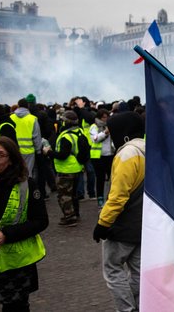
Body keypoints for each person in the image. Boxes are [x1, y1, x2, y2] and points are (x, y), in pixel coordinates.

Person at [0, 137, 48, 311]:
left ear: (11, 159)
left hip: (15, 264)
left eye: (1, 155)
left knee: (16, 307)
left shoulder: (26, 185)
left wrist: (7, 234)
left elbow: (40, 221)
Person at [92, 112, 146, 312]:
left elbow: (118, 196)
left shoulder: (127, 154)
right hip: (143, 226)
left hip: (122, 227)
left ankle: (127, 309)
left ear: (123, 134)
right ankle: (142, 306)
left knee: (113, 271)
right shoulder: (149, 150)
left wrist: (103, 224)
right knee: (139, 272)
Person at [46, 111, 84, 227]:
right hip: (76, 167)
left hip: (66, 169)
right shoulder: (79, 131)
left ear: (66, 122)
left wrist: (49, 152)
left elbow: (63, 155)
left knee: (64, 195)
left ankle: (69, 217)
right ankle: (75, 214)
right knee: (73, 194)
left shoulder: (66, 136)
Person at [9, 98, 43, 180]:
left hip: (14, 149)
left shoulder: (11, 117)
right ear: (27, 106)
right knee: (27, 174)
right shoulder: (33, 118)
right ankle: (27, 191)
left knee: (14, 173)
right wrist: (38, 150)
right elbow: (36, 136)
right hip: (29, 151)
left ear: (18, 105)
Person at [90, 109, 114, 208]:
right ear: (99, 117)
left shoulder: (111, 125)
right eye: (104, 117)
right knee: (100, 178)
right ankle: (100, 198)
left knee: (112, 178)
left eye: (107, 117)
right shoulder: (94, 126)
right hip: (98, 156)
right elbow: (95, 139)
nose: (106, 119)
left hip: (110, 155)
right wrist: (105, 132)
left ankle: (112, 198)